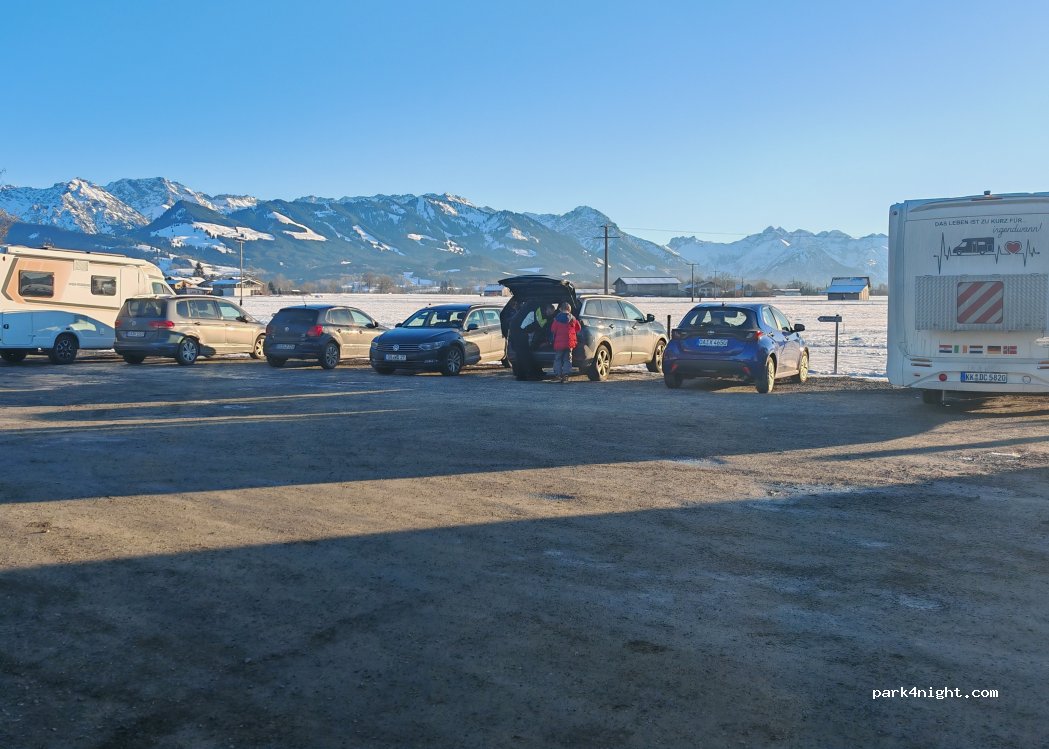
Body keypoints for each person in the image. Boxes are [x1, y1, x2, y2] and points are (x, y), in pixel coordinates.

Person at [508, 301, 555, 380]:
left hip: (519, 330)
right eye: (550, 313)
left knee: (522, 353)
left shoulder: (535, 309)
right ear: (547, 309)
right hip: (519, 331)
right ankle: (524, 375)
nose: (550, 315)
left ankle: (527, 373)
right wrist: (550, 321)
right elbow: (540, 325)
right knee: (523, 354)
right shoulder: (538, 312)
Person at [549, 301, 580, 383]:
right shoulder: (573, 319)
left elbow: (553, 330)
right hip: (569, 343)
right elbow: (578, 328)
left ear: (560, 309)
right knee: (568, 359)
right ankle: (566, 376)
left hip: (559, 344)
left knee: (558, 359)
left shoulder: (557, 319)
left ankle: (558, 375)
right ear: (569, 309)